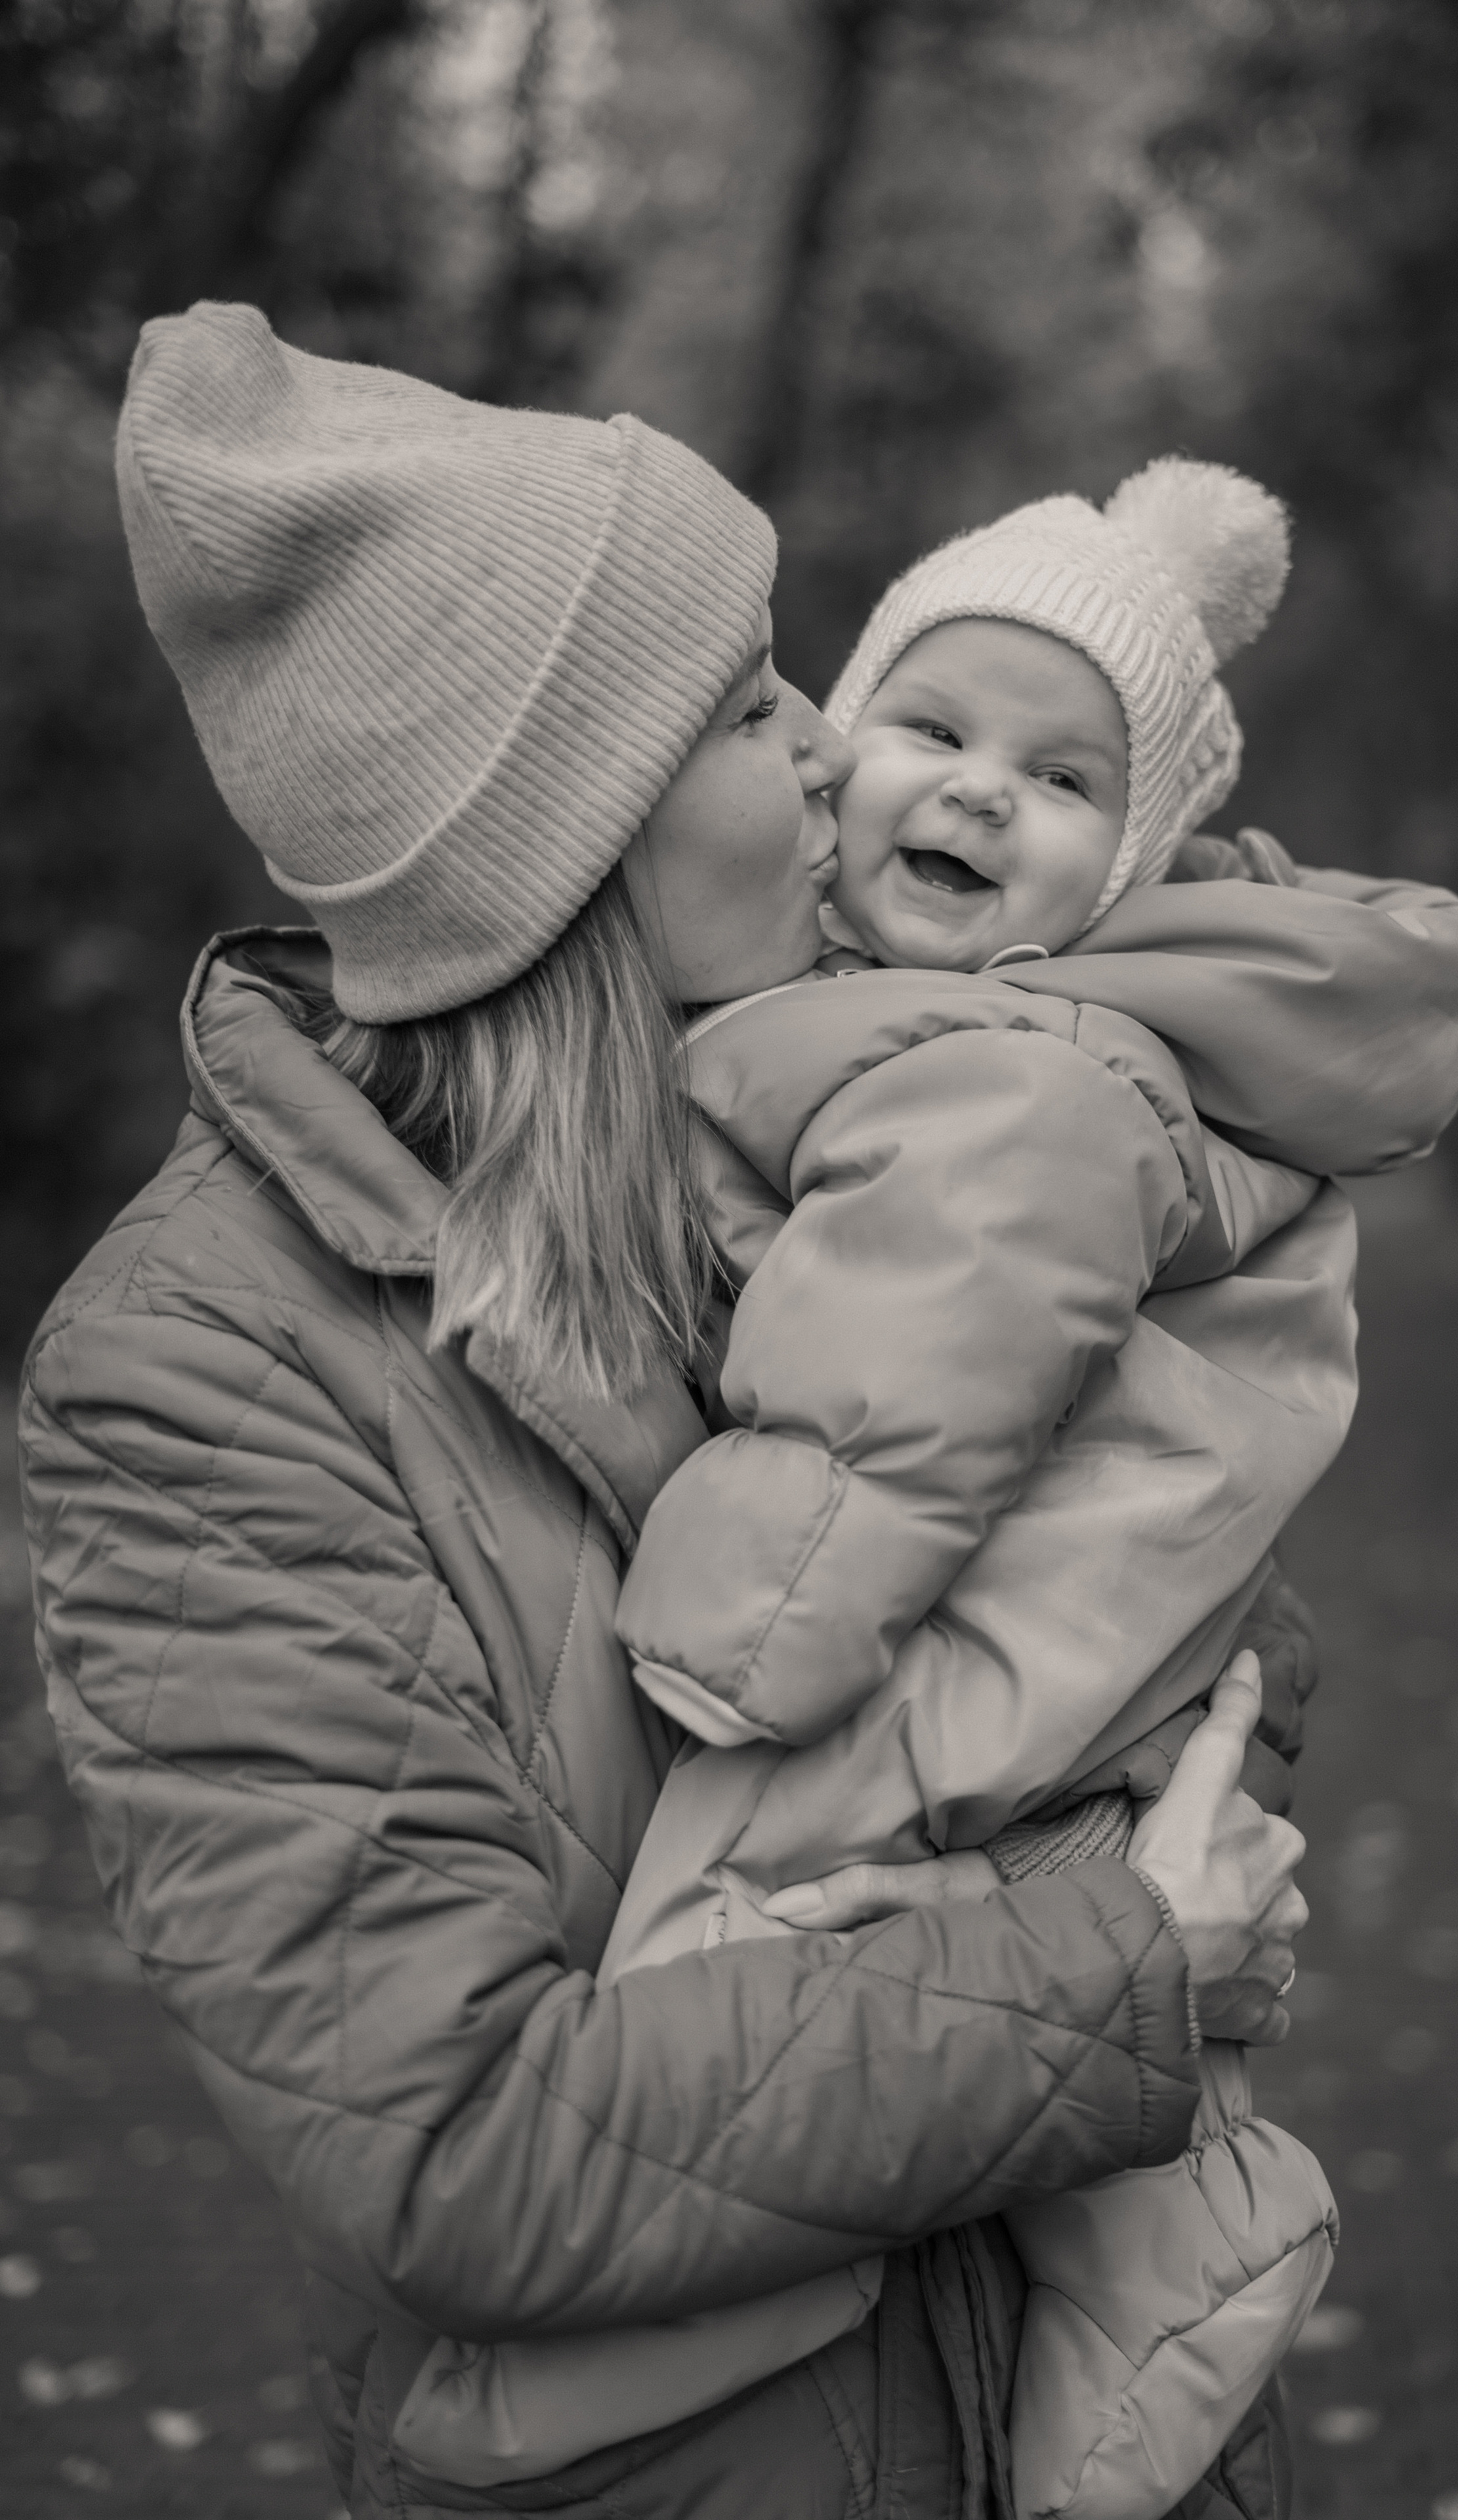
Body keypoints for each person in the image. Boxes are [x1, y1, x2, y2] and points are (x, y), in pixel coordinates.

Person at [18, 303, 1310, 2520]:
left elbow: (1207, 1633)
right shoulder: (200, 1380)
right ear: (567, 842)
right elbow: (458, 2155)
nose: (832, 747)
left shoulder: (840, 1136)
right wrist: (1113, 1968)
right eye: (741, 705)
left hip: (1075, 2417)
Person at [389, 468, 1458, 2513]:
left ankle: (595, 2384)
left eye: (1062, 775)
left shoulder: (1006, 1068)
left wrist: (734, 1639)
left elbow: (898, 1399)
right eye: (936, 729)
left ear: (1131, 858)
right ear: (839, 753)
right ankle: (1168, 2265)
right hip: (1060, 1624)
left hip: (925, 1623)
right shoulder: (965, 1016)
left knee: (725, 1950)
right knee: (1026, 1949)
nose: (982, 792)